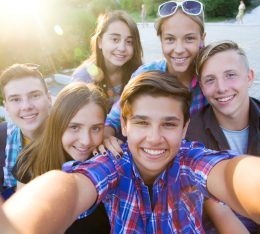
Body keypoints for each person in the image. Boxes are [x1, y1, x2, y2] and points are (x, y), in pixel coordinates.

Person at [2, 71, 260, 234]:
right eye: (142, 122)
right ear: (124, 125)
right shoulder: (111, 164)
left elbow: (228, 174)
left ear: (184, 128)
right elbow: (71, 186)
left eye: (169, 124)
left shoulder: (191, 159)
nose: (155, 138)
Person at [104, 0, 208, 147]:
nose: (179, 49)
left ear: (202, 39)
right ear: (161, 40)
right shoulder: (146, 74)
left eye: (189, 38)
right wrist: (107, 136)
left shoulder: (210, 78)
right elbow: (114, 118)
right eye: (170, 39)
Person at [13, 82, 110, 233]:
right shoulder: (30, 160)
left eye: (96, 128)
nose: (86, 140)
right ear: (58, 123)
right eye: (74, 127)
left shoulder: (106, 160)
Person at [186, 40, 260, 233]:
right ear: (201, 87)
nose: (221, 87)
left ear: (249, 77)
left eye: (230, 75)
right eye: (210, 80)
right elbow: (218, 209)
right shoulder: (192, 133)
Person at [72, 10, 143, 110]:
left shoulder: (139, 73)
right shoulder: (83, 77)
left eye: (129, 41)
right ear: (100, 42)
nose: (122, 48)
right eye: (115, 40)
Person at [0, 64, 51, 198]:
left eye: (35, 95)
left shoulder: (74, 140)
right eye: (15, 99)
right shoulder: (3, 137)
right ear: (6, 107)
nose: (26, 106)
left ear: (49, 99)